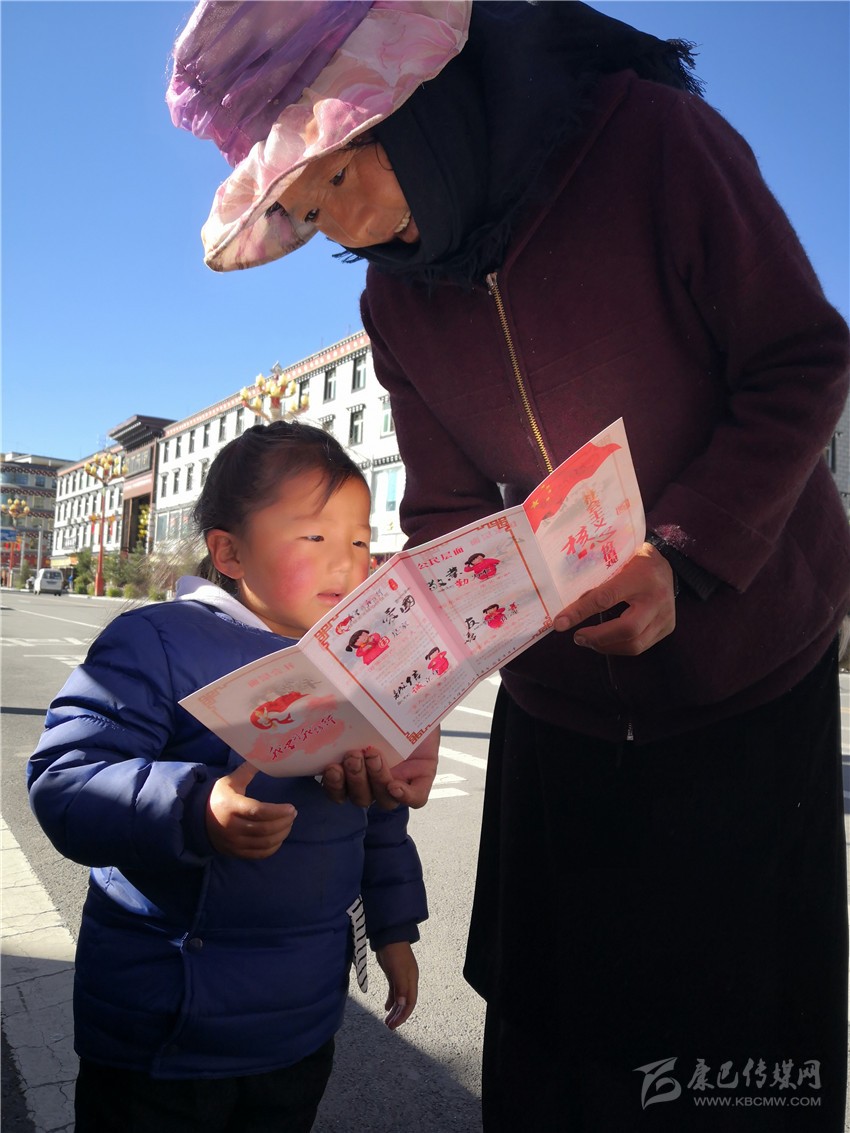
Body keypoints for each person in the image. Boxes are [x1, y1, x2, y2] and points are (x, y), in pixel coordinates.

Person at [167, 3, 850, 1128]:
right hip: (558, 695)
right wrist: (411, 691)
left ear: (418, 98)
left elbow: (802, 356)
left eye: (344, 173)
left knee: (731, 1037)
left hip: (744, 667)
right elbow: (446, 507)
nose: (361, 228)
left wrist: (683, 553)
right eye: (311, 208)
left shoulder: (650, 140)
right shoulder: (393, 295)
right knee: (552, 1030)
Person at [27, 421, 428, 1133]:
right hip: (166, 1026)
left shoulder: (357, 665)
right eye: (316, 537)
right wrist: (194, 809)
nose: (347, 562)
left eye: (359, 541)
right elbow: (66, 778)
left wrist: (394, 929)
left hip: (299, 1023)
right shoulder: (158, 641)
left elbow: (380, 822)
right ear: (229, 551)